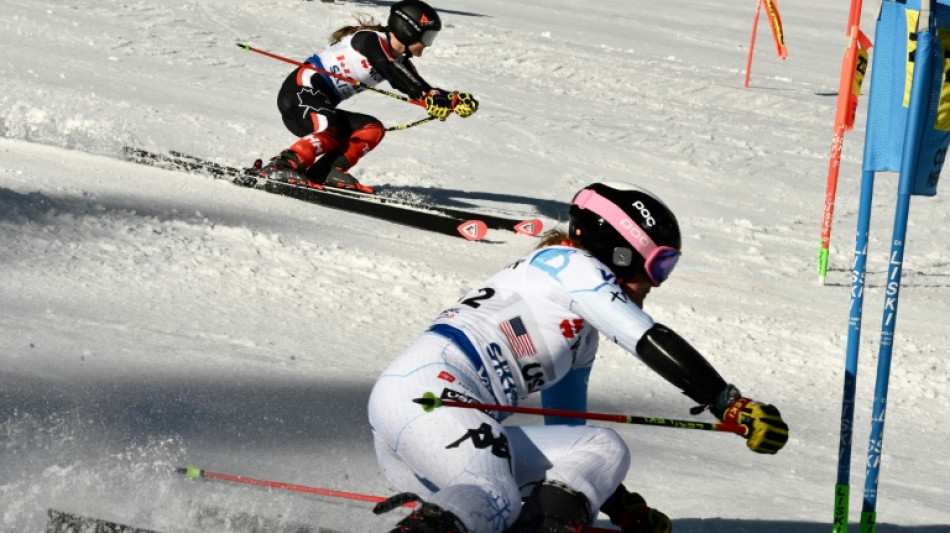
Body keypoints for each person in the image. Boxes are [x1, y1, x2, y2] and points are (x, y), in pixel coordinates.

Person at [367, 181, 789, 533]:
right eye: (659, 264)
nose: (657, 283)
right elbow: (644, 336)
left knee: (602, 447)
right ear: (621, 251)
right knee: (494, 496)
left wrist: (621, 505)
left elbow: (567, 434)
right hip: (428, 395)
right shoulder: (568, 264)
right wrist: (727, 402)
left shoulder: (581, 340)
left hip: (445, 427)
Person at [254, 0, 478, 194]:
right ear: (408, 31)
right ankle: (282, 165)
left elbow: (419, 88)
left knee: (372, 129)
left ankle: (326, 171)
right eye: (427, 37)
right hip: (300, 94)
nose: (428, 45)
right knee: (330, 127)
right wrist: (427, 94)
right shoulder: (370, 40)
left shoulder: (400, 63)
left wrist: (452, 100)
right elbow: (391, 71)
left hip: (320, 105)